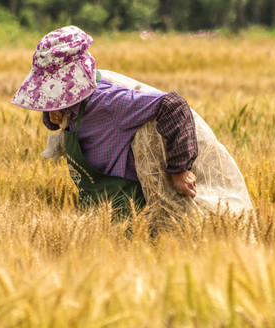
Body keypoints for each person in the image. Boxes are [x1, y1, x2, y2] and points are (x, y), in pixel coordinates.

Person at [11, 26, 198, 215]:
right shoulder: (69, 106)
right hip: (93, 216)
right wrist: (54, 111)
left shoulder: (108, 101)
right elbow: (53, 124)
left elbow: (174, 105)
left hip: (129, 214)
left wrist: (180, 171)